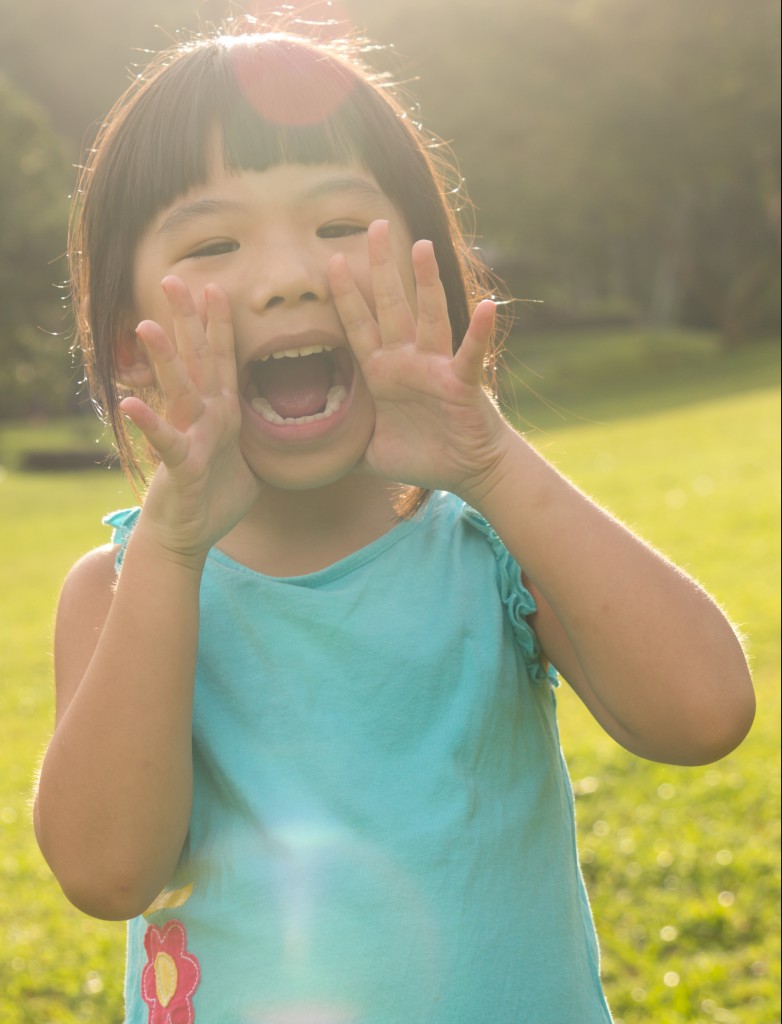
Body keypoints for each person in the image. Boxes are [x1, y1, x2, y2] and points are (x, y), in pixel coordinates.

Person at [33, 19, 755, 1024]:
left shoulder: (485, 541)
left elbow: (701, 713)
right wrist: (170, 541)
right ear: (129, 345)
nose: (288, 274)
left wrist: (492, 462)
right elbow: (108, 872)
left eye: (338, 227)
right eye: (212, 242)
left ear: (430, 281)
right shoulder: (122, 588)